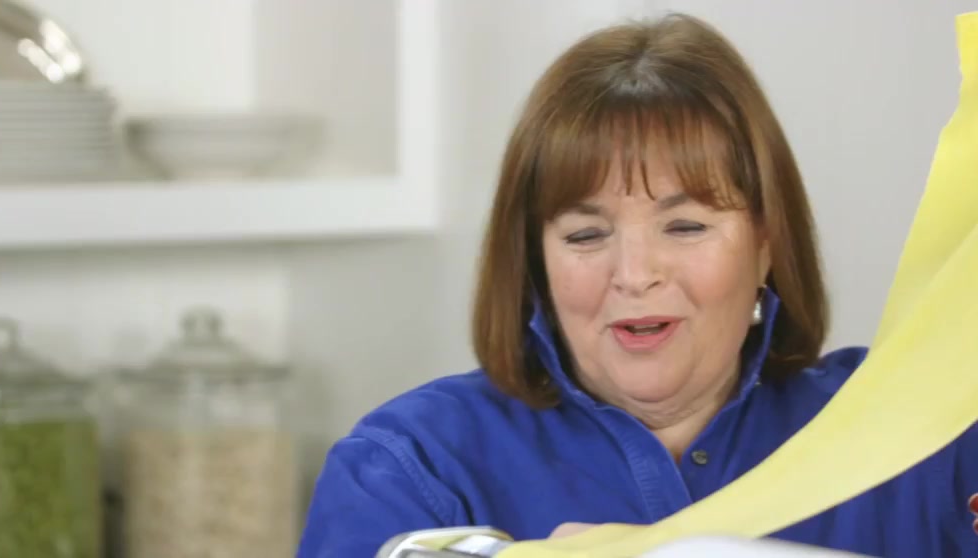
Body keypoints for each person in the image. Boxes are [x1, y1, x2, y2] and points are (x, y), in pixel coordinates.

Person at [296, 13, 978, 558]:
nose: (634, 274)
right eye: (585, 235)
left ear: (766, 244)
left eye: (685, 226)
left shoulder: (930, 441)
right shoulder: (409, 469)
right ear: (534, 261)